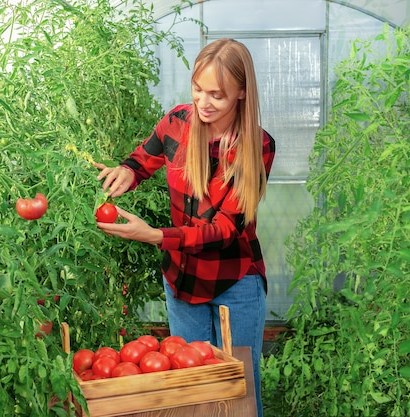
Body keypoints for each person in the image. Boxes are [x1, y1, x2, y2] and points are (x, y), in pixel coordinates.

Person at [94, 38, 275, 417]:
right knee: (191, 394)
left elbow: (225, 229)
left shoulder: (256, 146)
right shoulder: (177, 122)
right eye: (197, 89)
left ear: (242, 93)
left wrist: (156, 236)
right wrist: (127, 172)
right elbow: (143, 158)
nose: (203, 102)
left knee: (238, 392)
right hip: (181, 278)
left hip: (235, 279)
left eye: (216, 95)